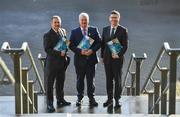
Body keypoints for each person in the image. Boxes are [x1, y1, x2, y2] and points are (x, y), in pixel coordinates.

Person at [69, 12, 101, 107]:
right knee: (80, 80)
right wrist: (80, 51)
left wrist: (92, 50)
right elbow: (70, 45)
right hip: (79, 61)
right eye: (82, 20)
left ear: (88, 21)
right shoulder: (74, 32)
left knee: (91, 81)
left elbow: (99, 43)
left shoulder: (94, 30)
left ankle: (91, 98)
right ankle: (80, 98)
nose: (84, 21)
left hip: (91, 60)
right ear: (79, 21)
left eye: (85, 20)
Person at [43, 15, 71, 113]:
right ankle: (50, 104)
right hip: (52, 64)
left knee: (60, 83)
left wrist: (65, 49)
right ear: (51, 23)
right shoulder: (47, 35)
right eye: (55, 22)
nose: (57, 24)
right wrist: (60, 53)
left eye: (58, 22)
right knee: (50, 85)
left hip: (62, 63)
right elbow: (47, 50)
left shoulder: (62, 32)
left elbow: (65, 44)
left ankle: (60, 100)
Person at [101, 10, 128, 108]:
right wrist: (102, 57)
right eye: (112, 17)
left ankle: (117, 100)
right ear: (109, 19)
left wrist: (118, 54)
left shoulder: (123, 30)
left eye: (115, 18)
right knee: (108, 80)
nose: (113, 19)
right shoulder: (105, 29)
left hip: (117, 59)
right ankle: (109, 99)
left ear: (118, 19)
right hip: (107, 59)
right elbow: (103, 44)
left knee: (117, 79)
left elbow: (125, 46)